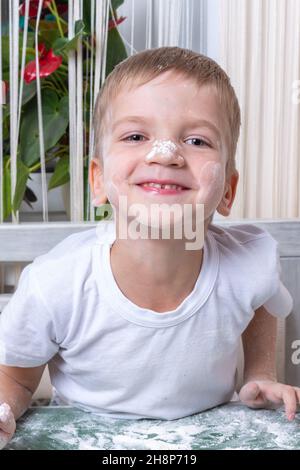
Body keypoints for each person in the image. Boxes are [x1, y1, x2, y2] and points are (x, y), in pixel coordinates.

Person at [0, 47, 298, 449]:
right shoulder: (56, 284)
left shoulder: (247, 262)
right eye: (136, 136)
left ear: (227, 191)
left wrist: (259, 374)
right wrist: (4, 408)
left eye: (195, 140)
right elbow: (16, 378)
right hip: (89, 439)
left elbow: (261, 298)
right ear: (99, 180)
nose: (167, 154)